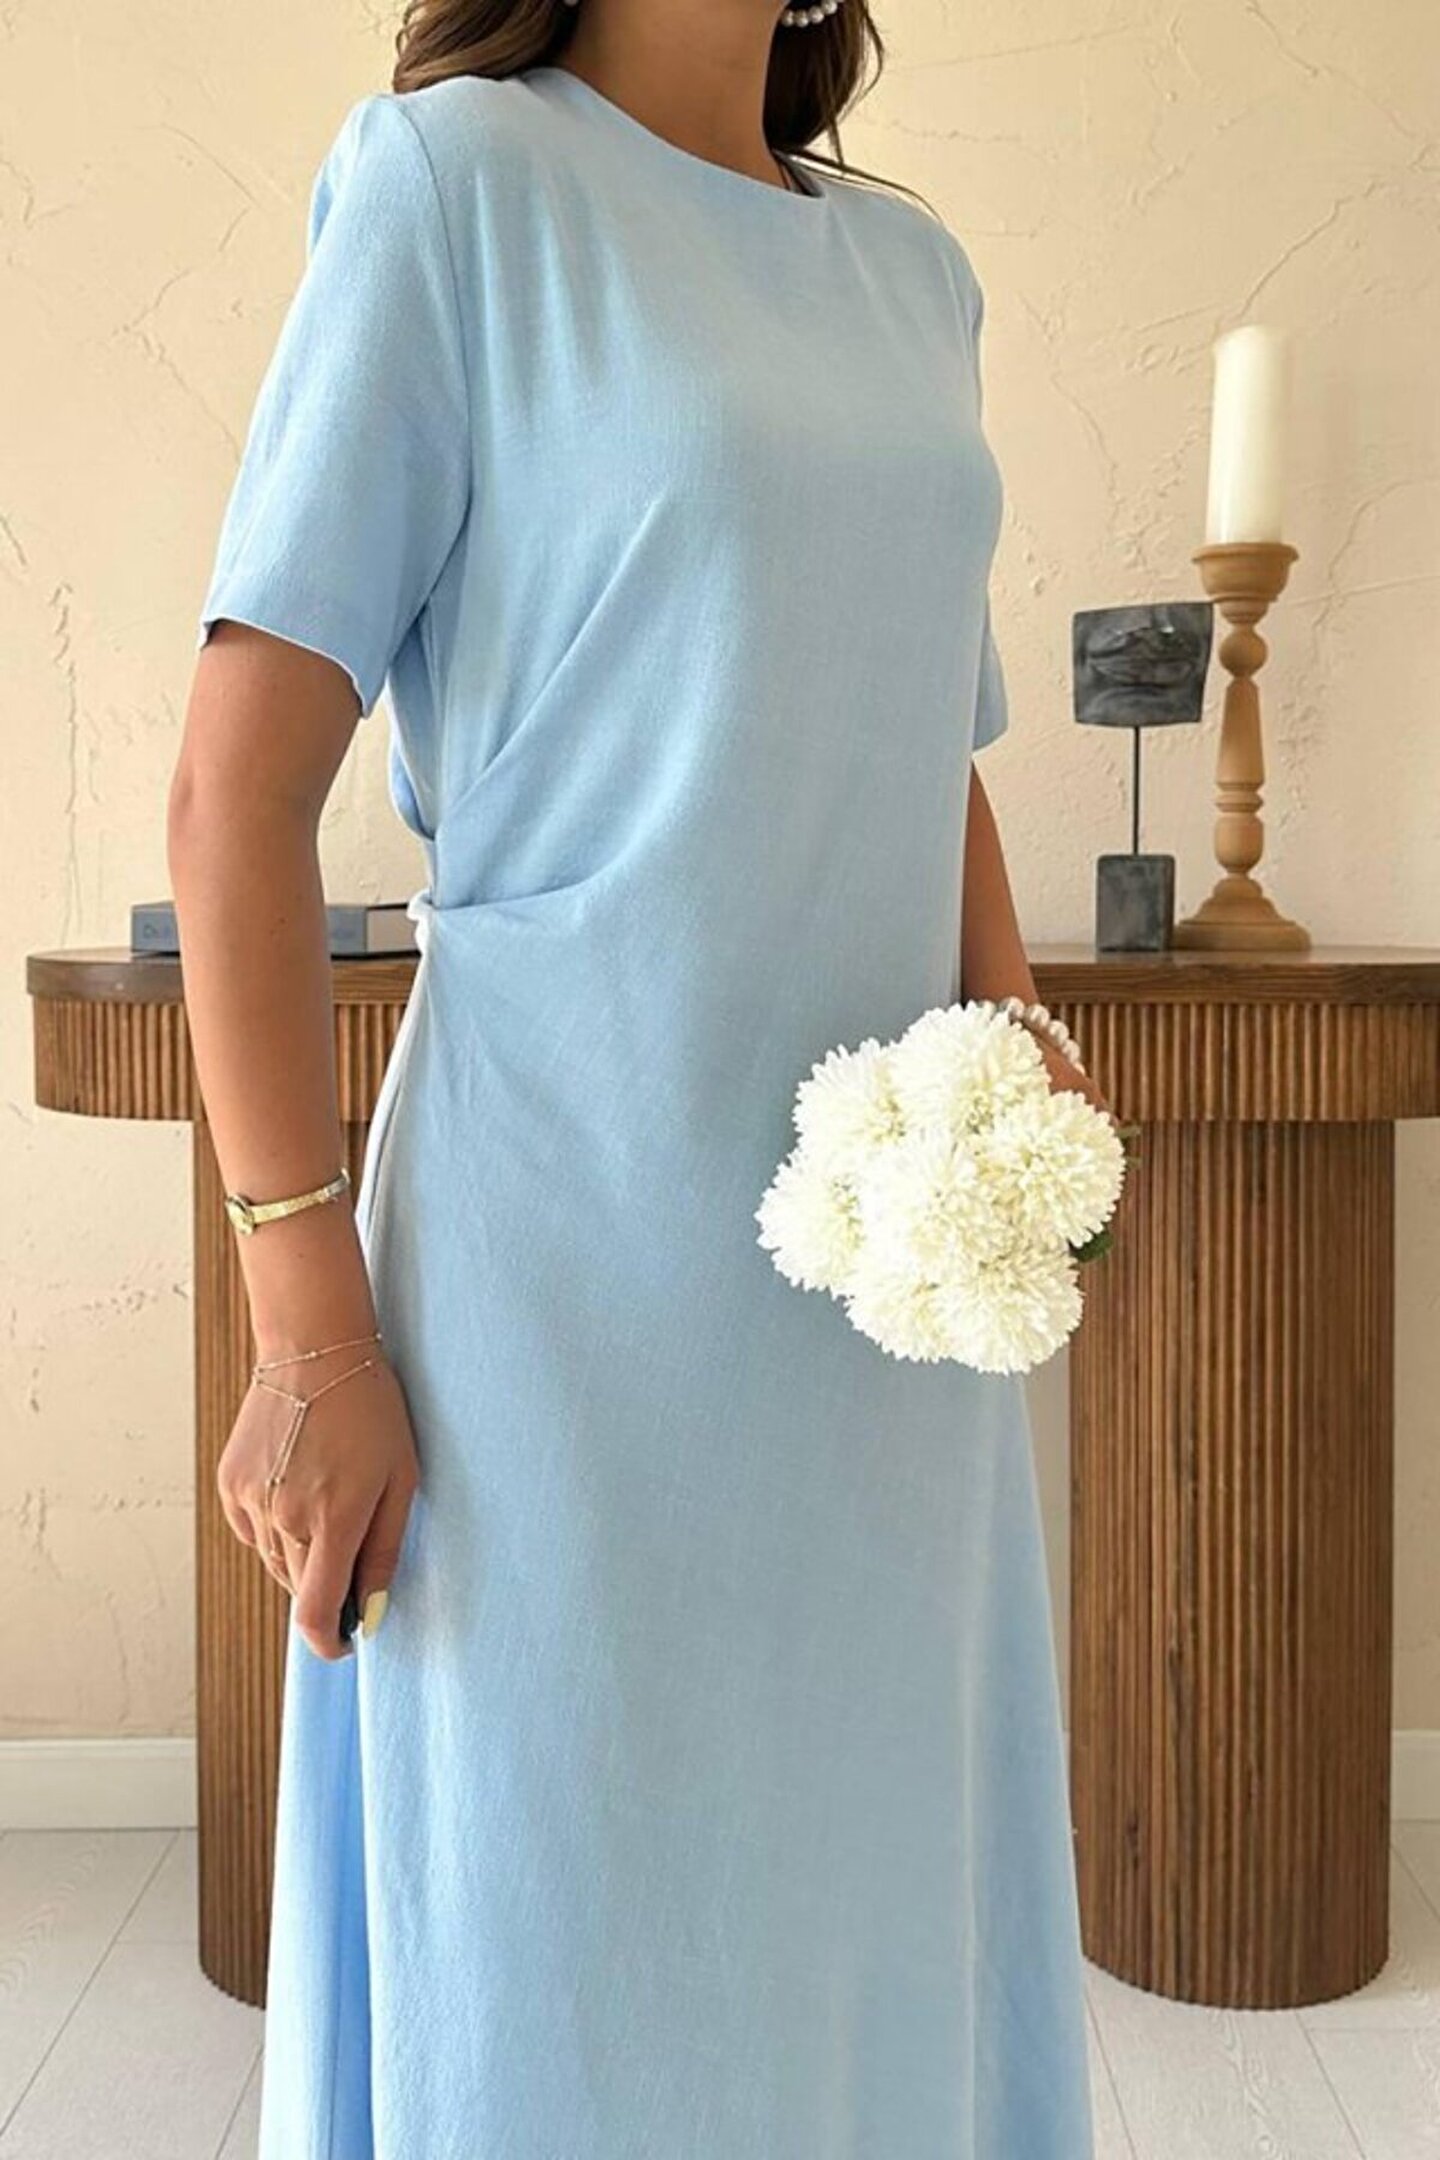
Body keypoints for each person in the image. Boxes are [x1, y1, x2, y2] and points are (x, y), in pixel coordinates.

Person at [169, 2, 1109, 2152]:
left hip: (877, 1319)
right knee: (563, 1945)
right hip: (560, 1298)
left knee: (872, 1915)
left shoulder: (914, 274)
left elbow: (928, 745)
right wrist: (308, 1326)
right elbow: (236, 790)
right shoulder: (455, 189)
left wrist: (1018, 1041)